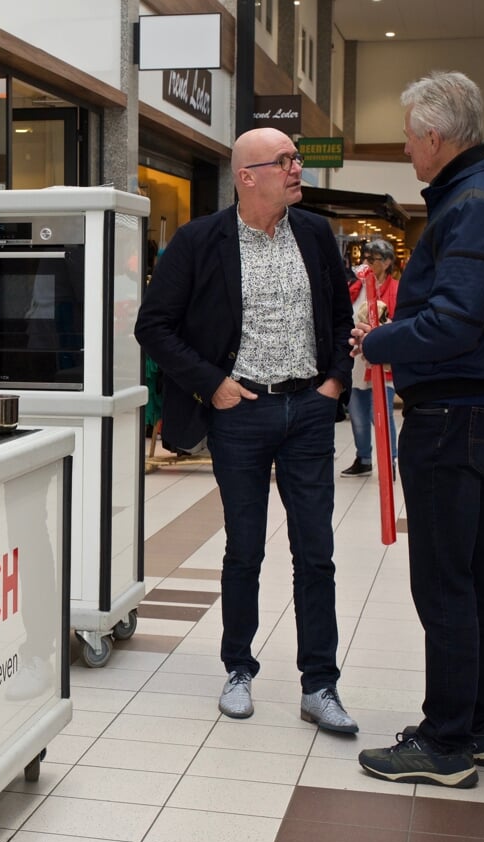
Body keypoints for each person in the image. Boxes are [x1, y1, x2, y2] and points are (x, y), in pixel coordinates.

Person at [134, 128, 358, 735]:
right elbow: (153, 325)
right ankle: (239, 669)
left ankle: (320, 685)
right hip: (241, 414)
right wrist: (214, 385)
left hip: (308, 411)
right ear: (247, 176)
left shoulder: (313, 234)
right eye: (285, 161)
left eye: (296, 159)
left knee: (317, 551)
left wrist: (334, 382)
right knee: (245, 548)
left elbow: (340, 315)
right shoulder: (200, 241)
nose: (297, 169)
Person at [352, 70, 484, 789]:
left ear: (434, 136)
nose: (405, 150)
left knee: (443, 583)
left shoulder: (471, 207)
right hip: (475, 415)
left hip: (450, 419)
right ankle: (481, 725)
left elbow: (454, 322)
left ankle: (444, 741)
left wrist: (379, 342)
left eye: (407, 137)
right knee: (473, 573)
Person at [342, 239, 399, 478]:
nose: (367, 263)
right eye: (366, 259)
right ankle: (363, 458)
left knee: (382, 413)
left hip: (381, 361)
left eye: (373, 259)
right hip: (355, 360)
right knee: (357, 413)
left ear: (386, 263)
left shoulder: (396, 289)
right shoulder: (356, 286)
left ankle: (390, 459)